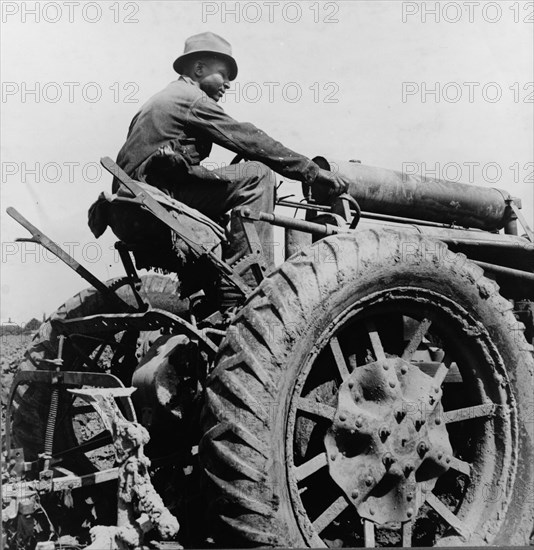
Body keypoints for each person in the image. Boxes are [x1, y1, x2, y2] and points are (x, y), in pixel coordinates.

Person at [110, 32, 349, 305]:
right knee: (257, 174)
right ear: (198, 69)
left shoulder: (160, 99)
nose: (228, 84)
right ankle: (247, 287)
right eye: (223, 75)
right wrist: (312, 171)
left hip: (129, 206)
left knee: (236, 182)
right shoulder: (191, 98)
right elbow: (249, 138)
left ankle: (212, 287)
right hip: (154, 200)